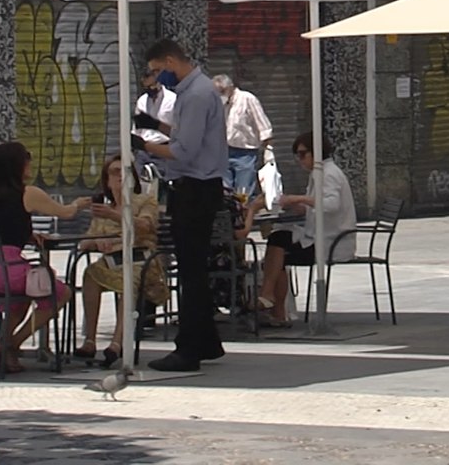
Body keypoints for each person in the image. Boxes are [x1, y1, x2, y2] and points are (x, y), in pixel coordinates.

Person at [132, 38, 228, 372]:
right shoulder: (195, 92)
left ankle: (188, 347)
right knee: (193, 267)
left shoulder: (198, 94)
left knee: (190, 268)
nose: (157, 78)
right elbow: (189, 134)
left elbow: (184, 150)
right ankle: (206, 340)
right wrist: (156, 126)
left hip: (196, 187)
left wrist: (142, 143)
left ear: (171, 61)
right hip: (198, 185)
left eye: (159, 70)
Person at [0, 142, 87, 373]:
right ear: (16, 165)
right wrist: (78, 204)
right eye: (27, 158)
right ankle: (12, 343)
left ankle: (6, 349)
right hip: (6, 270)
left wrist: (27, 235)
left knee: (20, 300)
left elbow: (2, 226)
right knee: (61, 293)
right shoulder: (28, 193)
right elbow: (65, 213)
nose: (30, 163)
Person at [249, 132, 357, 327]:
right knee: (278, 240)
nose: (300, 160)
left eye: (302, 154)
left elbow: (331, 204)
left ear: (316, 152)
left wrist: (299, 199)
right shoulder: (320, 173)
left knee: (278, 249)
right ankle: (273, 305)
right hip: (321, 237)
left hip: (331, 243)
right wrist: (297, 205)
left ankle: (271, 301)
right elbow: (316, 206)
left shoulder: (328, 173)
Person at [73, 154, 168, 368]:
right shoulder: (104, 209)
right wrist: (97, 241)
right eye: (114, 173)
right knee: (90, 274)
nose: (119, 177)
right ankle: (90, 341)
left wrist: (116, 216)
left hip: (140, 260)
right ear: (106, 180)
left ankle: (117, 344)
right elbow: (84, 243)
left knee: (128, 280)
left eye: (124, 172)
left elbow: (145, 226)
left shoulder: (145, 201)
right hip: (112, 261)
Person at [212, 74, 273, 199]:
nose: (220, 95)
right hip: (223, 152)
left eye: (222, 91)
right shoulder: (217, 103)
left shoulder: (247, 99)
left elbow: (263, 125)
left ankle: (244, 216)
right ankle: (230, 217)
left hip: (245, 154)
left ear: (231, 87)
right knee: (225, 192)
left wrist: (268, 149)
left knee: (242, 193)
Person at [133, 66, 177, 178]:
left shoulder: (173, 100)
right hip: (144, 150)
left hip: (163, 149)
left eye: (152, 86)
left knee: (162, 183)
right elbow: (137, 127)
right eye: (147, 88)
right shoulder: (142, 101)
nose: (151, 90)